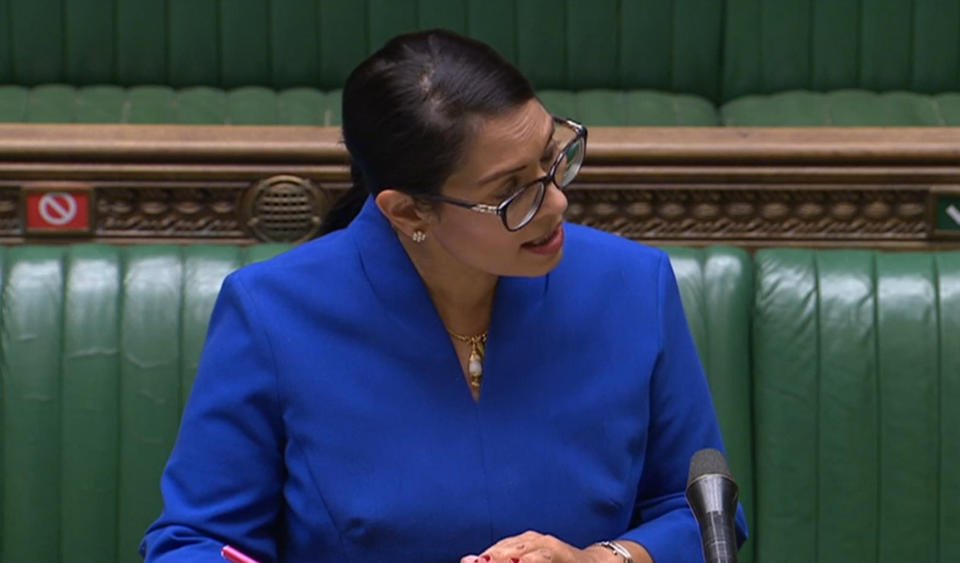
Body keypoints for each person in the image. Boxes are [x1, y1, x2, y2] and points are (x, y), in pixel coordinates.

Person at [140, 29, 747, 563]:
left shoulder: (631, 284)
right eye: (511, 191)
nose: (557, 202)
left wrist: (604, 560)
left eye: (551, 157)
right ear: (409, 212)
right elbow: (195, 540)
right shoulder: (271, 311)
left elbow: (703, 513)